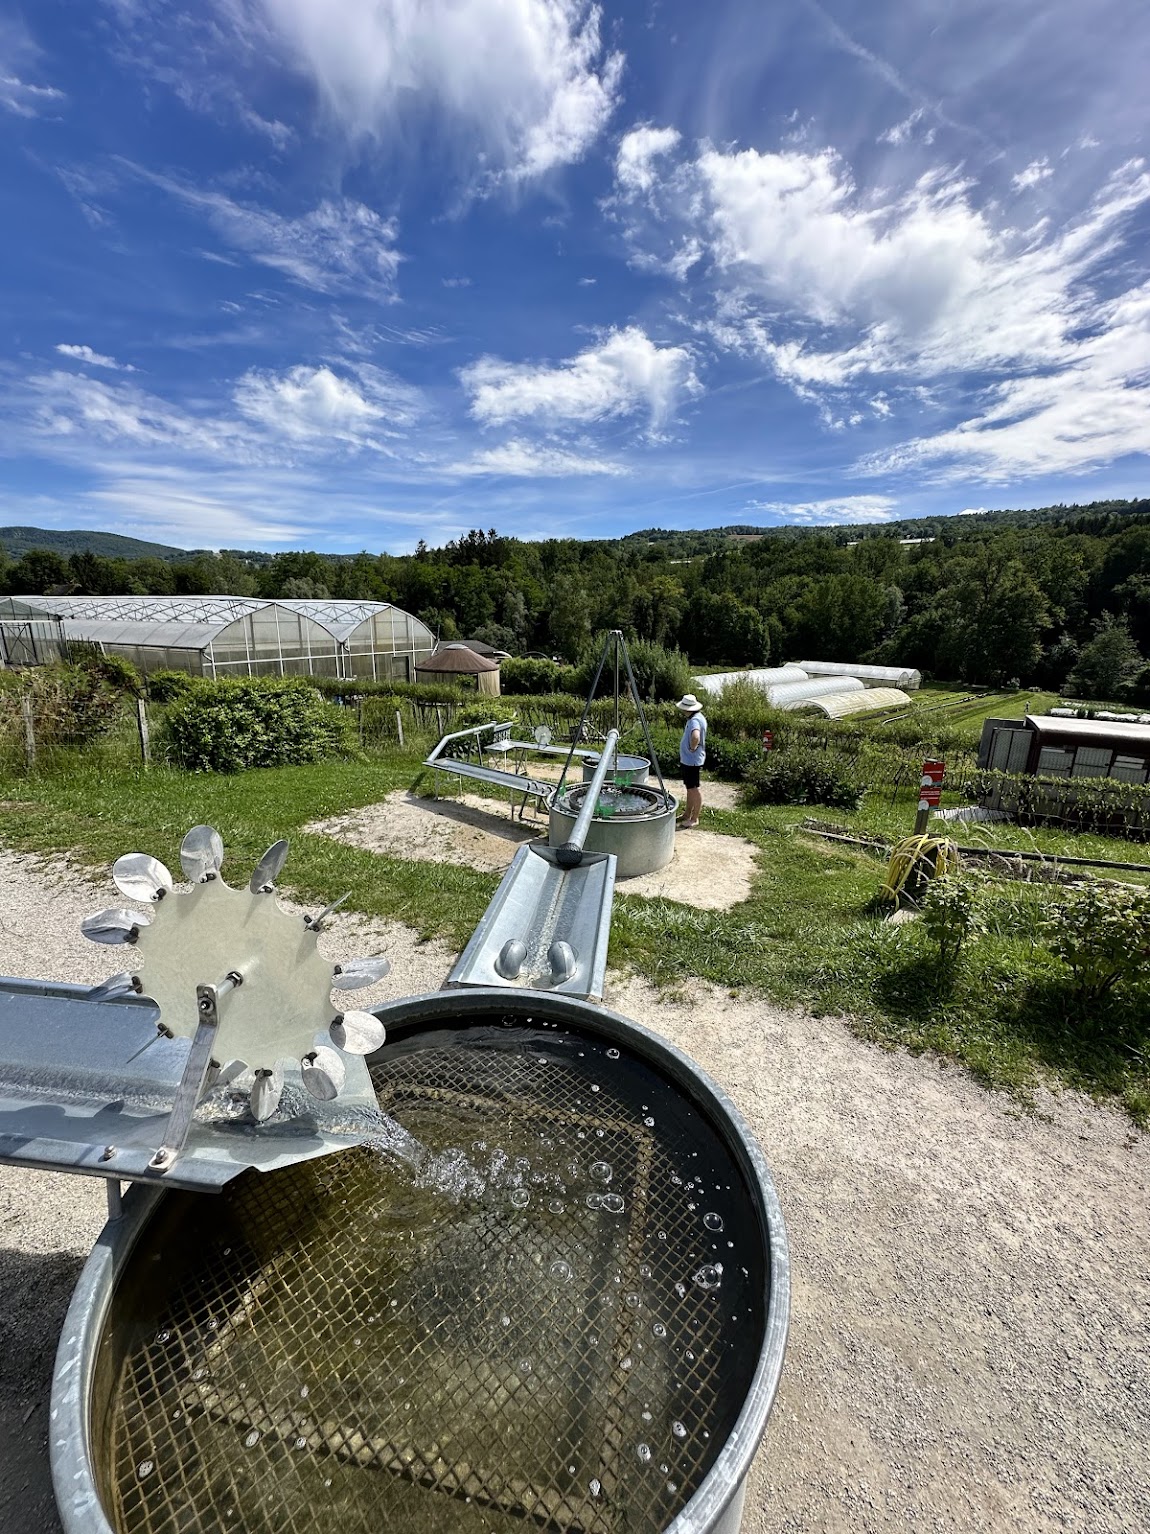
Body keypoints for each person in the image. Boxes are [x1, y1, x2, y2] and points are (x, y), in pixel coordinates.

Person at [675, 692, 707, 828]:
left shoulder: (694, 720)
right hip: (690, 760)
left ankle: (694, 818)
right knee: (690, 788)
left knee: (694, 788)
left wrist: (692, 748)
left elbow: (695, 736)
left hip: (692, 760)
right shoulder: (698, 717)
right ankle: (687, 813)